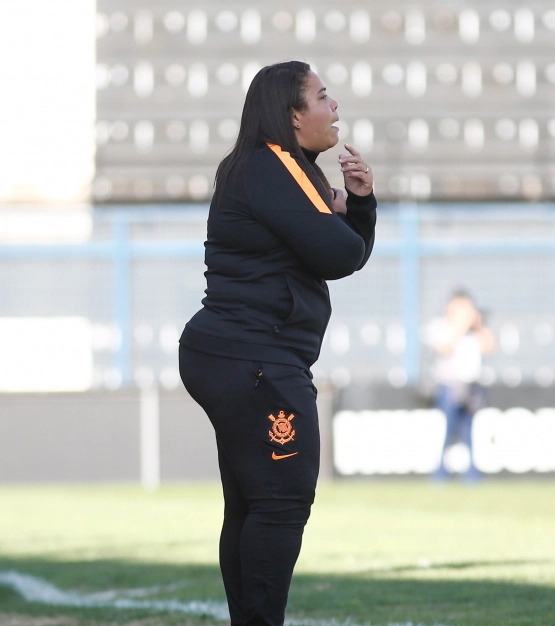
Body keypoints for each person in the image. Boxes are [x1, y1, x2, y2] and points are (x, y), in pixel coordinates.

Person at [178, 60, 376, 626]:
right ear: (291, 115)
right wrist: (346, 220)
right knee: (282, 502)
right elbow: (338, 254)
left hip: (240, 354)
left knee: (253, 504)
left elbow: (345, 256)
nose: (333, 106)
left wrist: (357, 206)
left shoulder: (287, 169)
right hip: (253, 356)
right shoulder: (272, 165)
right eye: (321, 96)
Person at [428, 290, 495, 480]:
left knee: (470, 433)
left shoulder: (475, 331)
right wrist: (461, 323)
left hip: (472, 386)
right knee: (445, 432)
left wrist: (477, 325)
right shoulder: (441, 326)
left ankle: (472, 475)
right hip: (449, 386)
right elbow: (444, 346)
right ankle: (440, 474)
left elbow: (490, 347)